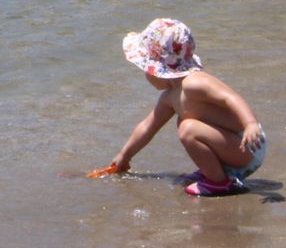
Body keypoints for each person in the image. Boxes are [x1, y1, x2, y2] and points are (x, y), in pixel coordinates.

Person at [87, 18, 266, 197]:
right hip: (231, 150)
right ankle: (214, 170)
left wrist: (250, 124)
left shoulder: (195, 82)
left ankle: (219, 182)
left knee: (188, 128)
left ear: (157, 68)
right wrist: (124, 156)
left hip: (248, 145)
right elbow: (148, 127)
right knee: (185, 122)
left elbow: (230, 97)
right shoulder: (170, 98)